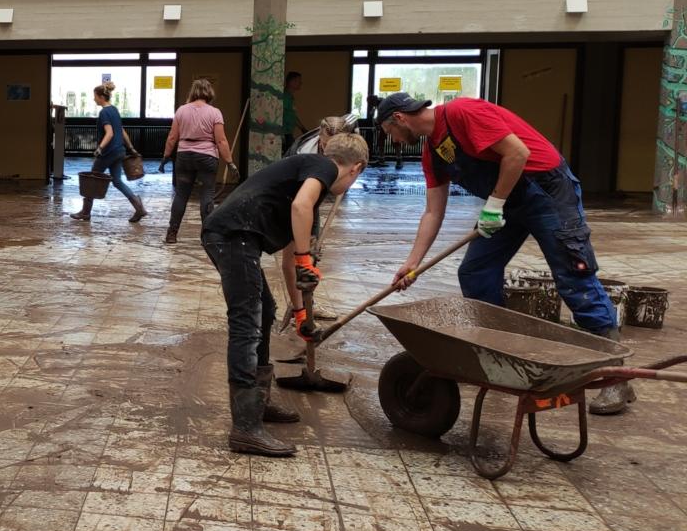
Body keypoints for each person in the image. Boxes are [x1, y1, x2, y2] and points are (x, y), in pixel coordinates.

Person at [377, 93, 628, 414]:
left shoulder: (461, 112)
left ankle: (615, 378)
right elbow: (432, 213)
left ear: (399, 118)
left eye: (390, 133)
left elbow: (517, 153)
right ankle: (502, 357)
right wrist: (412, 263)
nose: (394, 141)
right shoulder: (433, 151)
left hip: (546, 189)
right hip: (507, 199)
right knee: (475, 272)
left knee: (573, 278)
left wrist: (494, 206)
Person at [201, 133, 368, 457]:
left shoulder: (308, 181)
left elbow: (292, 258)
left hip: (233, 236)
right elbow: (300, 209)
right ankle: (245, 428)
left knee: (264, 311)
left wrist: (301, 311)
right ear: (356, 168)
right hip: (232, 236)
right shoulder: (322, 167)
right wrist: (307, 259)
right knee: (247, 323)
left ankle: (259, 404)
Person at [162, 79, 234, 244]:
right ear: (209, 93)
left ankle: (172, 234)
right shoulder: (215, 112)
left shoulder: (181, 110)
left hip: (185, 156)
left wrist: (166, 156)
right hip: (207, 157)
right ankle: (208, 236)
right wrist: (230, 162)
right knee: (207, 195)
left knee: (181, 195)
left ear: (193, 92)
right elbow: (221, 140)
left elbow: (172, 137)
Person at [70, 81, 147, 222]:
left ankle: (85, 212)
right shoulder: (114, 110)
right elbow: (122, 131)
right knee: (117, 181)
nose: (94, 99)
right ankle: (139, 208)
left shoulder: (104, 112)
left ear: (100, 97)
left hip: (109, 152)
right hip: (119, 151)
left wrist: (100, 148)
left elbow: (110, 133)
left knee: (91, 179)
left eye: (95, 96)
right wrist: (131, 148)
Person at [282, 72, 308, 151]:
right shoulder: (285, 97)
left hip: (288, 132)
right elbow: (281, 113)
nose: (301, 83)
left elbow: (292, 115)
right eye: (298, 81)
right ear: (291, 82)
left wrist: (302, 128)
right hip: (284, 133)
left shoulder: (290, 97)